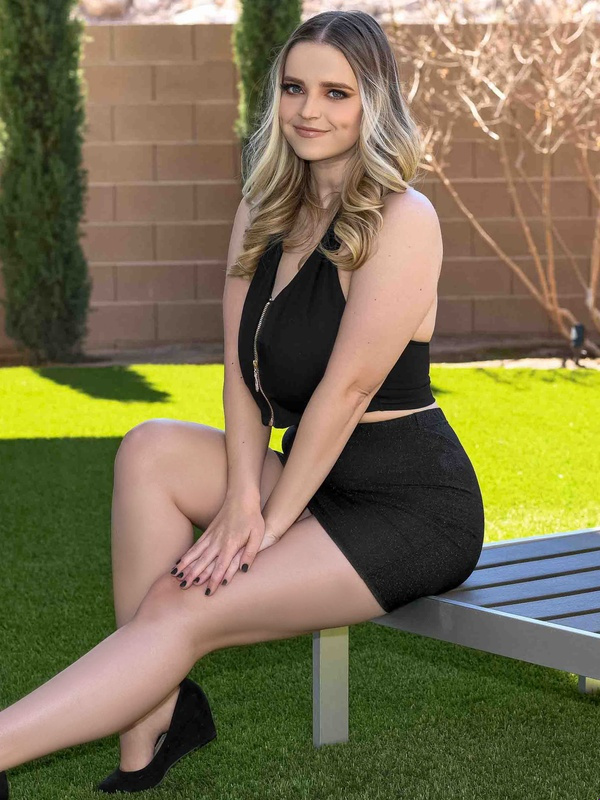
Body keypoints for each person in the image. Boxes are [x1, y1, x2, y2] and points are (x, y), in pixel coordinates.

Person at [0, 9, 485, 797]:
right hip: (318, 476)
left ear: (373, 104)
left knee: (181, 603)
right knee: (151, 447)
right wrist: (240, 497)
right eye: (294, 88)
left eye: (336, 93)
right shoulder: (264, 213)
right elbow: (239, 373)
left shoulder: (403, 218)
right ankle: (151, 729)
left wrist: (263, 521)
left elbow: (347, 392)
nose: (308, 110)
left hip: (410, 505)